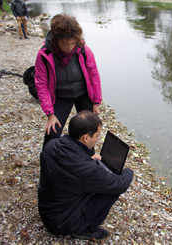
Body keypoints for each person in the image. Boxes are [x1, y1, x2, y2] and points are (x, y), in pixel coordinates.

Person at [38, 110, 134, 240]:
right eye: (97, 136)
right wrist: (128, 171)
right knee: (111, 188)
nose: (97, 139)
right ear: (86, 137)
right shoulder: (87, 170)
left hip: (47, 211)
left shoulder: (51, 145)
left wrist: (88, 160)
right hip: (62, 224)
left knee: (100, 182)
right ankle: (85, 228)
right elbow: (120, 184)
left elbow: (69, 169)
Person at [35, 14, 102, 148]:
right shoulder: (44, 55)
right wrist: (50, 113)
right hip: (61, 96)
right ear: (56, 39)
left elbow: (94, 75)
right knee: (52, 133)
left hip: (83, 94)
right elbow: (41, 85)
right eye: (65, 44)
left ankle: (88, 163)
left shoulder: (83, 50)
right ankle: (48, 163)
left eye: (73, 43)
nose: (70, 48)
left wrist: (96, 102)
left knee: (89, 132)